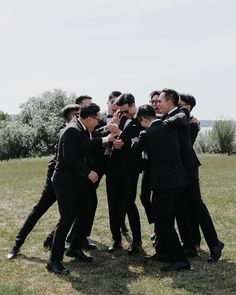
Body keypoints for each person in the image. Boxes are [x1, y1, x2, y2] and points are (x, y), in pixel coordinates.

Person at [6, 104, 80, 260]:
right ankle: (17, 245)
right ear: (69, 117)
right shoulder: (65, 130)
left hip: (68, 181)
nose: (79, 116)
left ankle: (52, 238)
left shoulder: (80, 131)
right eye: (76, 114)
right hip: (54, 179)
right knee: (38, 211)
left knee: (70, 213)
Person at [158, 88, 224, 262]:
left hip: (188, 167)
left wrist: (161, 123)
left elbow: (179, 117)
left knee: (196, 205)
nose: (158, 104)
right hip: (177, 169)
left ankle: (215, 243)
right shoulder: (170, 116)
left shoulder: (181, 114)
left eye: (161, 101)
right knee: (180, 207)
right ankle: (188, 246)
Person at [46, 103, 102, 275]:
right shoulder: (71, 130)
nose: (99, 121)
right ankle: (53, 260)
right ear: (89, 118)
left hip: (77, 181)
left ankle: (75, 248)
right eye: (98, 118)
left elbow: (86, 146)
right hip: (65, 182)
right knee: (67, 218)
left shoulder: (82, 128)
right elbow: (68, 157)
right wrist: (89, 172)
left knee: (85, 210)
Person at [134, 104, 191, 271]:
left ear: (143, 119)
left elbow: (136, 150)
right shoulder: (171, 129)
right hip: (179, 180)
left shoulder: (146, 133)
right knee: (167, 218)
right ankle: (164, 252)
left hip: (163, 184)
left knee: (163, 221)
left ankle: (180, 260)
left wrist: (135, 141)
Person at [106, 93, 144, 254]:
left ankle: (136, 240)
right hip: (113, 168)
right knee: (113, 204)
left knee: (129, 203)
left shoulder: (140, 120)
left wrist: (122, 137)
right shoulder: (117, 117)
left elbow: (139, 143)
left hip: (130, 169)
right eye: (120, 110)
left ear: (133, 105)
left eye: (126, 110)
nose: (123, 113)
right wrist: (112, 136)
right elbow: (105, 135)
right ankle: (116, 239)